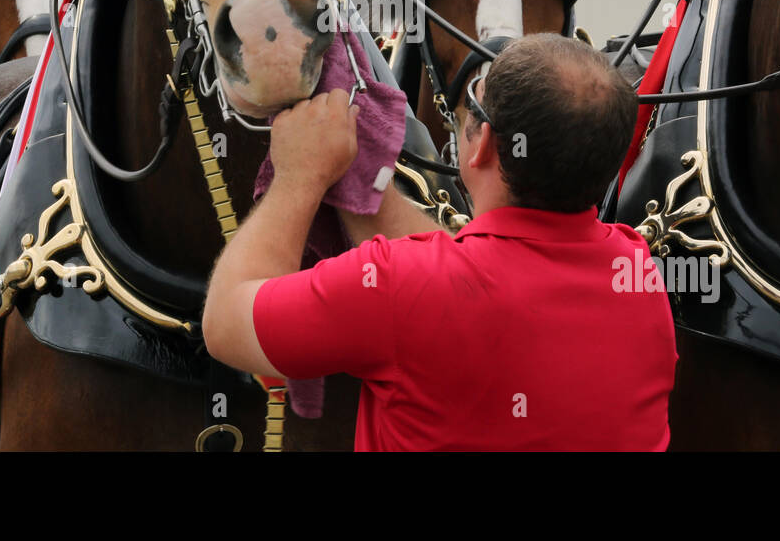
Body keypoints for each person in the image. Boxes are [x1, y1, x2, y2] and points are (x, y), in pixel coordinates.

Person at [204, 33, 677, 451]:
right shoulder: (637, 274)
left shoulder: (398, 286)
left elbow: (226, 320)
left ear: (484, 143)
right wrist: (364, 184)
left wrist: (299, 176)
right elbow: (463, 277)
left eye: (475, 102)